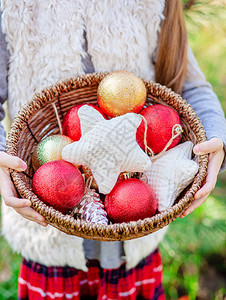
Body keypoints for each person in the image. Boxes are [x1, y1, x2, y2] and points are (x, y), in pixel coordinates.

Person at [0, 0, 225, 299]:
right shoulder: (12, 6)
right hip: (49, 242)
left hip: (136, 235)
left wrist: (216, 139)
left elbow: (194, 87)